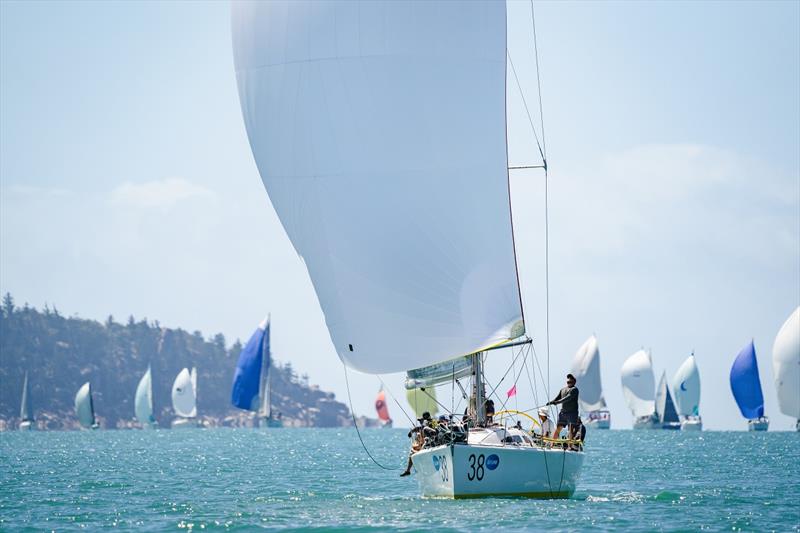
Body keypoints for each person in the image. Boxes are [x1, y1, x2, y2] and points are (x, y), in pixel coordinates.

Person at [546, 373, 580, 440]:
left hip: (572, 413)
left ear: (574, 382)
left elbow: (568, 397)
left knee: (571, 429)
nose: (569, 383)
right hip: (563, 413)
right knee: (558, 428)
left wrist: (557, 402)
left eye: (570, 381)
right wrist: (551, 402)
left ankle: (570, 446)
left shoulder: (574, 389)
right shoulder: (562, 389)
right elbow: (557, 398)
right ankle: (552, 444)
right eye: (568, 381)